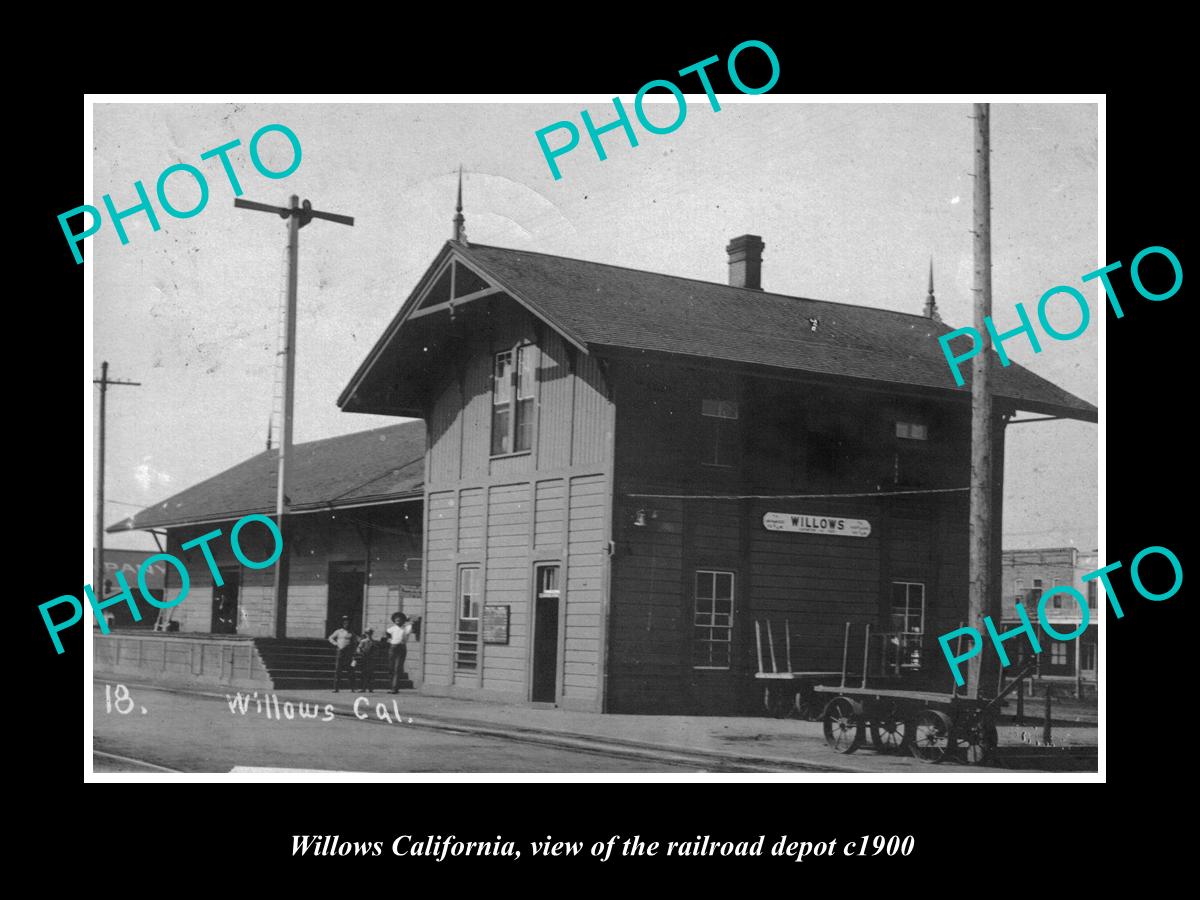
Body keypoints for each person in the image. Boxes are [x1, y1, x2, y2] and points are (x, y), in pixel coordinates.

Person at [328, 615, 356, 693]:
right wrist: (335, 643)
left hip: (348, 652)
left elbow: (354, 642)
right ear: (342, 623)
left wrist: (353, 653)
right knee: (338, 670)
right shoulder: (338, 631)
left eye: (347, 622)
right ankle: (336, 688)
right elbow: (330, 638)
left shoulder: (352, 633)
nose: (346, 624)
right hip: (340, 651)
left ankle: (352, 688)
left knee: (350, 670)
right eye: (344, 622)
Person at [386, 612, 413, 694]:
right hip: (392, 648)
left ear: (403, 620)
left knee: (397, 668)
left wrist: (408, 619)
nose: (397, 620)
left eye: (400, 619)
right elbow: (387, 634)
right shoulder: (391, 629)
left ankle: (395, 688)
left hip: (401, 648)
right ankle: (391, 687)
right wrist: (389, 640)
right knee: (391, 667)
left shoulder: (406, 628)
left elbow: (412, 624)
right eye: (396, 619)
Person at [352, 628, 379, 693]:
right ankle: (362, 688)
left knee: (371, 673)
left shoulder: (374, 642)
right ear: (365, 634)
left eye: (370, 633)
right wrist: (360, 652)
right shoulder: (363, 641)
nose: (368, 634)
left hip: (371, 658)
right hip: (364, 658)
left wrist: (374, 655)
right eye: (367, 633)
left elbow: (376, 650)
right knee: (363, 673)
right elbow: (358, 648)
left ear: (372, 634)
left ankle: (370, 688)